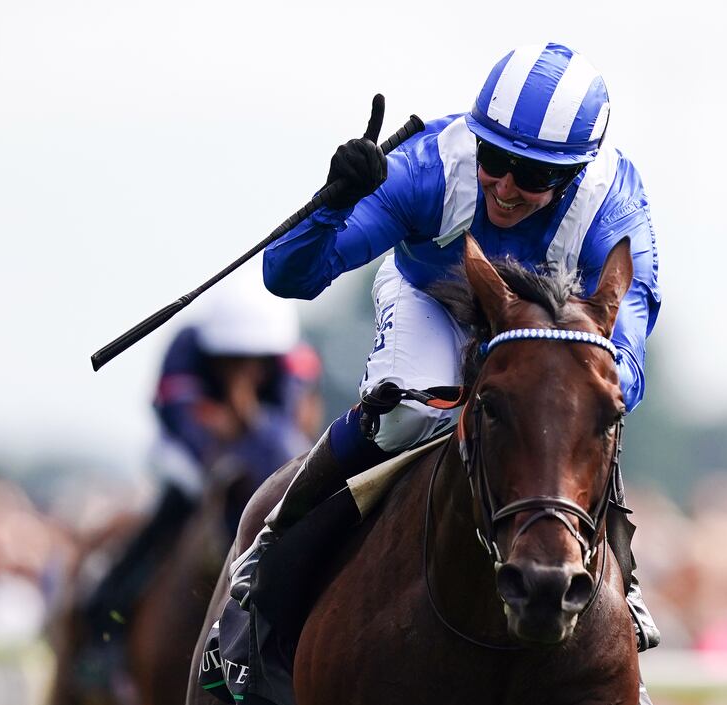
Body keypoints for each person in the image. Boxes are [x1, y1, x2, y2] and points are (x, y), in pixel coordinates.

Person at [226, 42, 663, 663]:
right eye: (495, 159)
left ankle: (623, 573)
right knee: (406, 411)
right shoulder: (428, 168)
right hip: (433, 300)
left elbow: (628, 352)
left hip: (548, 338)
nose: (506, 187)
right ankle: (277, 541)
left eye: (534, 175)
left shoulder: (611, 206)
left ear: (575, 173)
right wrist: (332, 205)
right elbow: (288, 277)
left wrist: (586, 385)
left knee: (573, 415)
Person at [80, 282, 317, 680]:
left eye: (257, 359)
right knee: (174, 506)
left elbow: (284, 434)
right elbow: (182, 423)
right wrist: (227, 439)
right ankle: (104, 621)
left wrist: (243, 416)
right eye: (231, 359)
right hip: (186, 456)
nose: (245, 367)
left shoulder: (294, 359)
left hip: (259, 459)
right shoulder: (185, 346)